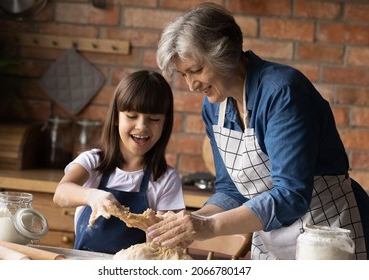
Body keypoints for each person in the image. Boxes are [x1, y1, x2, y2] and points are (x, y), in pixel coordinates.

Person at [147, 2, 369, 260]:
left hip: (326, 237)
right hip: (271, 242)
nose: (191, 85)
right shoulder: (214, 109)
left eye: (196, 70)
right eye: (183, 75)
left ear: (225, 52)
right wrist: (192, 220)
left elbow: (291, 195)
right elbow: (232, 191)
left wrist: (209, 226)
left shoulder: (282, 92)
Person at [53, 70, 185, 254]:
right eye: (132, 116)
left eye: (154, 119)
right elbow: (61, 193)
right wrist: (92, 196)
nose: (142, 126)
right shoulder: (93, 162)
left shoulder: (165, 179)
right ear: (116, 117)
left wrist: (162, 233)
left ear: (165, 123)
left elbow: (172, 240)